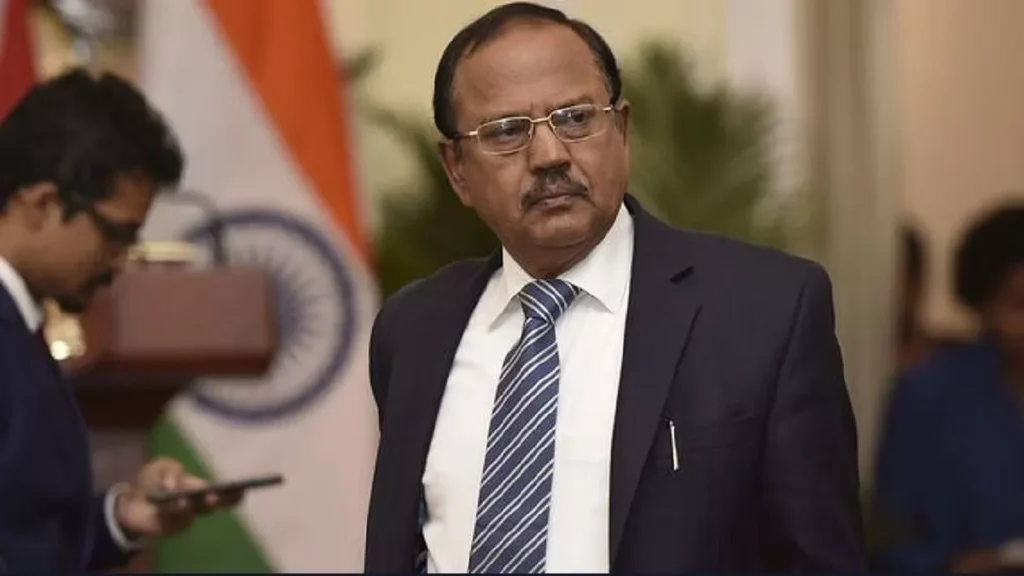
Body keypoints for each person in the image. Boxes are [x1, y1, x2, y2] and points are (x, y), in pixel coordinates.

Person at [364, 2, 865, 572]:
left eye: (576, 118)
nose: (549, 155)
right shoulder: (414, 329)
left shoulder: (765, 312)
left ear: (621, 130)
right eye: (507, 132)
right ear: (457, 168)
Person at [0, 69, 237, 573]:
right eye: (115, 235)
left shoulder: (19, 326)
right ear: (42, 204)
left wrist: (123, 516)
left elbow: (26, 530)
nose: (121, 262)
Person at [873, 202, 1024, 573]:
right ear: (984, 307)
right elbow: (889, 537)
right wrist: (952, 567)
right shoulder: (927, 395)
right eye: (1020, 305)